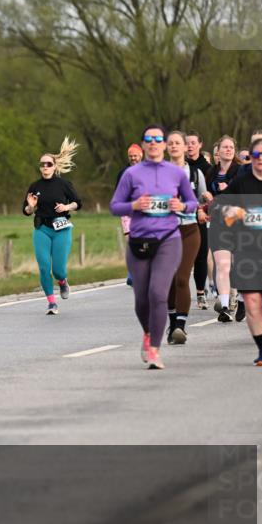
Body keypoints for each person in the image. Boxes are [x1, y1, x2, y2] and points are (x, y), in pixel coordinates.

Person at [111, 124, 198, 369]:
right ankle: (148, 332)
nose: (153, 142)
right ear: (144, 144)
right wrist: (135, 205)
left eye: (158, 138)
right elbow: (115, 206)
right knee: (141, 299)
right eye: (148, 139)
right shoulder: (131, 174)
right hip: (139, 242)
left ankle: (154, 350)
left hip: (169, 239)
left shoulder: (176, 173)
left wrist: (182, 207)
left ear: (163, 144)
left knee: (158, 294)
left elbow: (192, 202)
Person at [214, 137, 262, 366]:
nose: (260, 160)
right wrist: (234, 213)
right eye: (256, 156)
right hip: (247, 250)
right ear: (249, 158)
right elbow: (220, 206)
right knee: (251, 302)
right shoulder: (242, 182)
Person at [23, 138, 82, 315]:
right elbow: (26, 210)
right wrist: (31, 206)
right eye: (42, 164)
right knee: (43, 266)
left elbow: (78, 203)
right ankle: (51, 302)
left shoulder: (64, 184)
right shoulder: (35, 186)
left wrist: (67, 207)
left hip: (62, 229)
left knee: (58, 269)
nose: (45, 167)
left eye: (49, 164)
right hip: (42, 228)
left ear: (54, 166)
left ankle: (62, 282)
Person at [165, 131, 207, 344]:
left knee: (182, 277)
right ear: (166, 147)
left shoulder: (195, 174)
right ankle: (172, 322)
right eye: (170, 143)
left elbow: (202, 199)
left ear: (184, 148)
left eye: (177, 143)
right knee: (169, 281)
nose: (174, 146)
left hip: (189, 230)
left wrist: (202, 206)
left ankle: (180, 326)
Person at [206, 135, 240, 321]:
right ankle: (225, 306)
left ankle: (241, 299)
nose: (228, 150)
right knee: (222, 264)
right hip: (218, 222)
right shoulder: (211, 172)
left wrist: (228, 189)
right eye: (224, 147)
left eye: (231, 147)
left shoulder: (241, 171)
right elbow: (209, 197)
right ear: (218, 151)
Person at [185, 131, 212, 308]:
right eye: (187, 143)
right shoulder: (178, 166)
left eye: (193, 142)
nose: (190, 146)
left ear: (200, 144)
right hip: (180, 217)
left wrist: (205, 207)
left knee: (201, 256)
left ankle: (200, 292)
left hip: (201, 215)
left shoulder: (207, 168)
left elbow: (208, 195)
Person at [118, 144, 143, 287]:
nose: (133, 158)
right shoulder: (123, 173)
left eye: (135, 155)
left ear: (141, 155)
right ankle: (132, 273)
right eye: (131, 156)